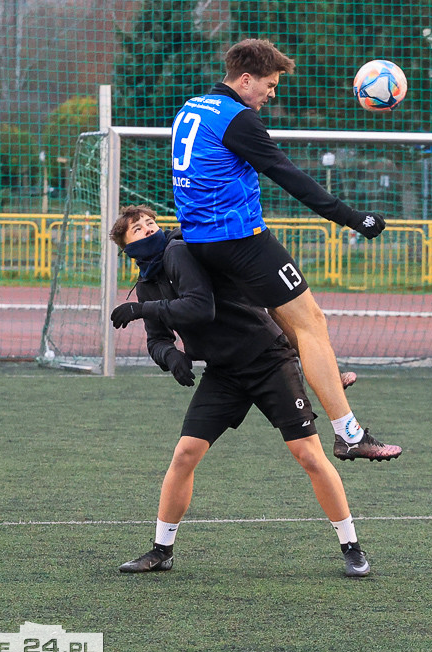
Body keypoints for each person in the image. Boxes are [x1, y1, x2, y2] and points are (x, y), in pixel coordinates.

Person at [108, 206, 386, 578]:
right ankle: (162, 550)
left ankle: (352, 547)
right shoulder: (147, 283)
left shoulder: (179, 250)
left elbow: (199, 307)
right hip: (224, 372)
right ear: (127, 248)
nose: (148, 230)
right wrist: (169, 355)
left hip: (268, 359)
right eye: (138, 231)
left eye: (150, 224)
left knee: (308, 455)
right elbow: (157, 338)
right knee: (185, 453)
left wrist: (142, 309)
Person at [170, 37, 399, 461]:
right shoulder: (238, 118)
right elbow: (288, 176)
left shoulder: (191, 108)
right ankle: (348, 434)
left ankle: (323, 374)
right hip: (239, 241)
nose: (271, 94)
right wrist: (352, 218)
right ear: (244, 80)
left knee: (290, 322)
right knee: (312, 321)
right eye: (269, 85)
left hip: (199, 241)